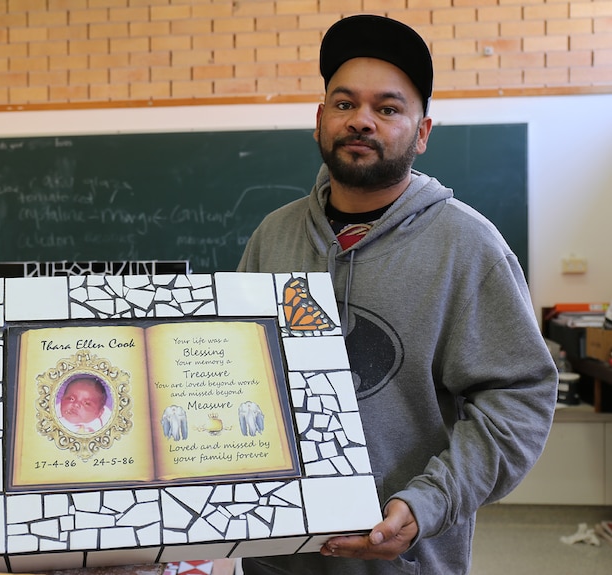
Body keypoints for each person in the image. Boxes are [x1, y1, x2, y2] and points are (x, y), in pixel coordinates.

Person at [237, 14, 557, 575]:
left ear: (422, 132)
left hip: (407, 558)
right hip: (276, 560)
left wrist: (428, 501)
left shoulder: (468, 246)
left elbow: (519, 399)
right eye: (344, 103)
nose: (361, 120)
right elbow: (232, 373)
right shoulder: (273, 236)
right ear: (319, 120)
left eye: (387, 108)